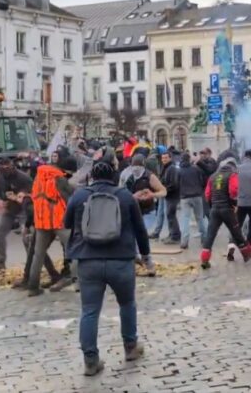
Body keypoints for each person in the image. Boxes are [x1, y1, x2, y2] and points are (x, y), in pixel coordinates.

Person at [64, 160, 151, 376]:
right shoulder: (125, 196)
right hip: (120, 259)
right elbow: (140, 230)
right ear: (114, 175)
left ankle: (91, 361)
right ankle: (131, 347)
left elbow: (66, 223)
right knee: (127, 304)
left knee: (90, 311)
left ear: (91, 176)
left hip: (88, 260)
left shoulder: (79, 195)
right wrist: (146, 256)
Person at [27, 157, 79, 296]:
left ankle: (33, 287)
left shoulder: (38, 178)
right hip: (58, 220)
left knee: (38, 254)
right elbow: (69, 198)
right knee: (73, 250)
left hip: (41, 221)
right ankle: (78, 282)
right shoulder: (59, 179)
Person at [200, 157, 251, 269]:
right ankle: (247, 254)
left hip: (215, 210)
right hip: (227, 210)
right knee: (237, 233)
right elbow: (233, 191)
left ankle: (205, 260)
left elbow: (207, 195)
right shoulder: (232, 175)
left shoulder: (212, 177)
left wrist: (213, 205)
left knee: (210, 235)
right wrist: (234, 202)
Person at [0, 157, 34, 272]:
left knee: (26, 236)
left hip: (24, 210)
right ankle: (0, 262)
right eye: (1, 169)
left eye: (6, 169)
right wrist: (1, 201)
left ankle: (31, 263)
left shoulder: (23, 177)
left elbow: (33, 192)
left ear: (12, 167)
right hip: (9, 209)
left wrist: (21, 196)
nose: (4, 172)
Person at [123, 154, 166, 232]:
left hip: (148, 211)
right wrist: (133, 196)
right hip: (133, 211)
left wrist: (152, 195)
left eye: (138, 168)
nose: (136, 171)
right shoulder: (128, 177)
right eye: (134, 168)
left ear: (143, 166)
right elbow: (123, 194)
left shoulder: (150, 176)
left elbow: (163, 191)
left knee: (141, 233)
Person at [176, 153, 208, 250]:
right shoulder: (196, 169)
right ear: (189, 159)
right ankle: (205, 239)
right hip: (197, 195)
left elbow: (176, 184)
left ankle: (184, 242)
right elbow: (202, 181)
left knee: (185, 218)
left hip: (185, 197)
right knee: (200, 218)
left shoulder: (179, 171)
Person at [157, 151, 181, 244]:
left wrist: (165, 189)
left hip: (172, 195)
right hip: (168, 195)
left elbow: (174, 184)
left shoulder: (172, 168)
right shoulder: (166, 168)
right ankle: (172, 234)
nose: (164, 160)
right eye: (163, 158)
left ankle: (175, 236)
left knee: (171, 215)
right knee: (170, 215)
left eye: (166, 158)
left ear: (170, 158)